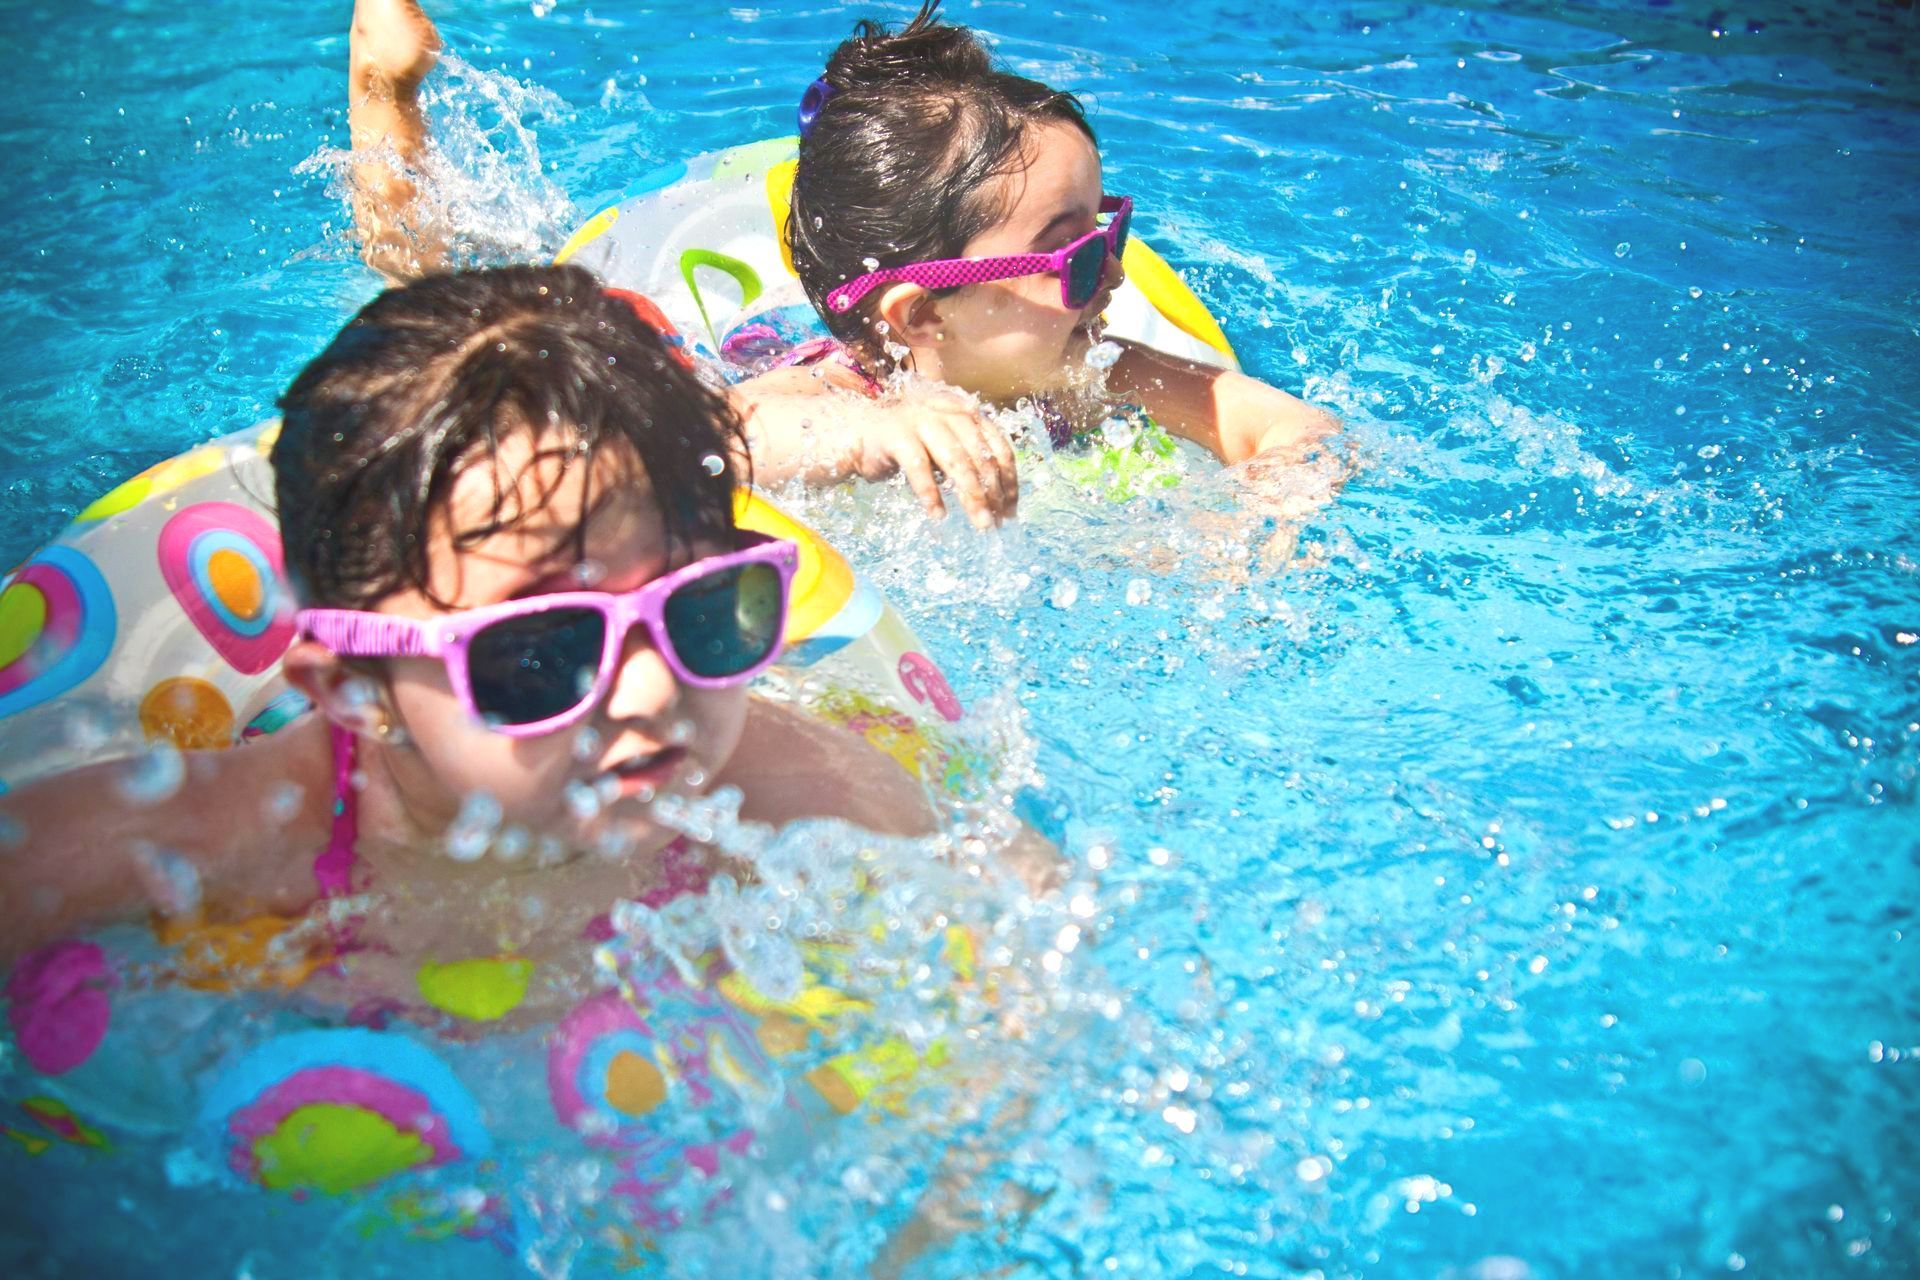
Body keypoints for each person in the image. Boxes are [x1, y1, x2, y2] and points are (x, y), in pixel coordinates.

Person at [0, 265, 981, 987]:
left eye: (700, 612)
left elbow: (1014, 968)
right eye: (543, 652)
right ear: (353, 686)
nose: (650, 691)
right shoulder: (227, 840)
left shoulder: (791, 790)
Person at [345, 1, 1339, 533]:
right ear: (917, 318)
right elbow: (710, 445)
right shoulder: (835, 383)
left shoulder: (1098, 368)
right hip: (711, 355)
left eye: (1110, 234)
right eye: (1075, 259)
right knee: (445, 310)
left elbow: (1280, 423)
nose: (1113, 279)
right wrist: (870, 427)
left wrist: (1274, 502)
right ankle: (385, 96)